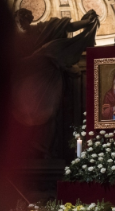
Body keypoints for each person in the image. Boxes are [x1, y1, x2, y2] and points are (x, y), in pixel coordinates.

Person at [11, 8, 99, 158]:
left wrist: (88, 22)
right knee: (21, 111)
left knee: (49, 111)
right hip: (26, 81)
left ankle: (43, 147)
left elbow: (68, 26)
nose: (21, 24)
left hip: (49, 76)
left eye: (23, 20)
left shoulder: (43, 29)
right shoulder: (15, 39)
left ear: (29, 19)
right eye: (18, 21)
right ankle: (23, 147)